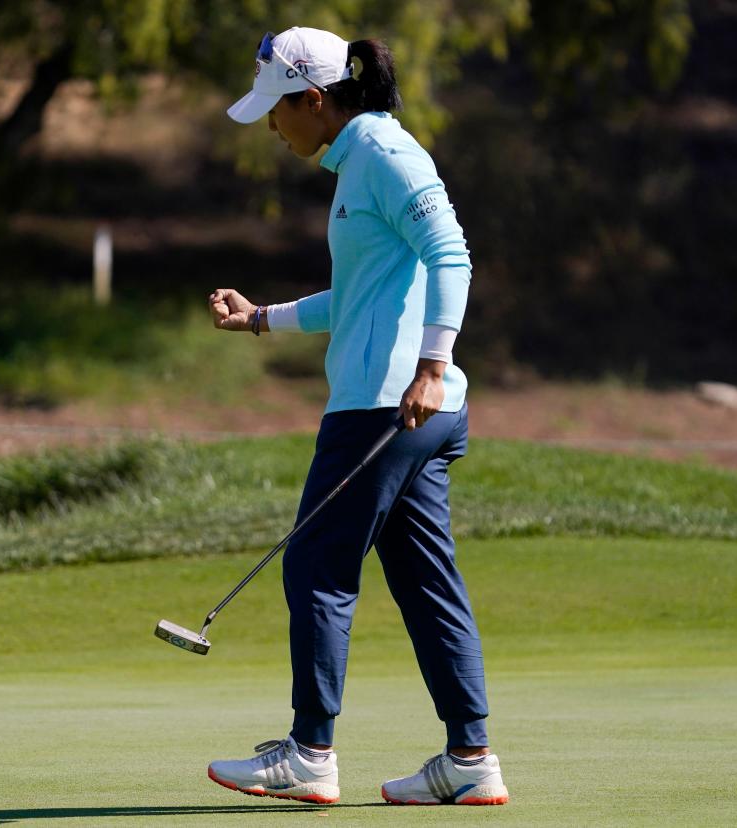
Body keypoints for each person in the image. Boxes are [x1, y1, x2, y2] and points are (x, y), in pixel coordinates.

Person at [204, 27, 507, 806]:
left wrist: (432, 367)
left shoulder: (381, 152)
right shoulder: (358, 160)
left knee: (316, 570)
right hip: (410, 408)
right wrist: (263, 318)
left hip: (386, 406)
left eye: (280, 110)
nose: (273, 127)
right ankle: (470, 760)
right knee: (424, 581)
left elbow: (453, 252)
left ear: (316, 99)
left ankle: (310, 753)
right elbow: (361, 298)